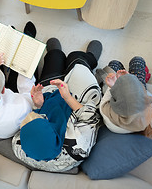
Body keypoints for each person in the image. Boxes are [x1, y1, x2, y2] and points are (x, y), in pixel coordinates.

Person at [10, 38, 102, 172]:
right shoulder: (77, 146)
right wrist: (67, 96)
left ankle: (55, 52)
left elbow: (34, 130)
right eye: (39, 117)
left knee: (55, 56)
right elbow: (91, 117)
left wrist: (39, 104)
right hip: (77, 103)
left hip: (50, 98)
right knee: (75, 58)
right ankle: (90, 58)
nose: (32, 115)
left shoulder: (19, 147)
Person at [99, 57, 152, 142]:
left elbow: (105, 102)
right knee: (137, 60)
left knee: (114, 64)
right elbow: (142, 92)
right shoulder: (146, 117)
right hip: (135, 94)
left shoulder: (110, 119)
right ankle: (143, 76)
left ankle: (134, 76)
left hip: (119, 95)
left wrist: (113, 86)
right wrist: (130, 79)